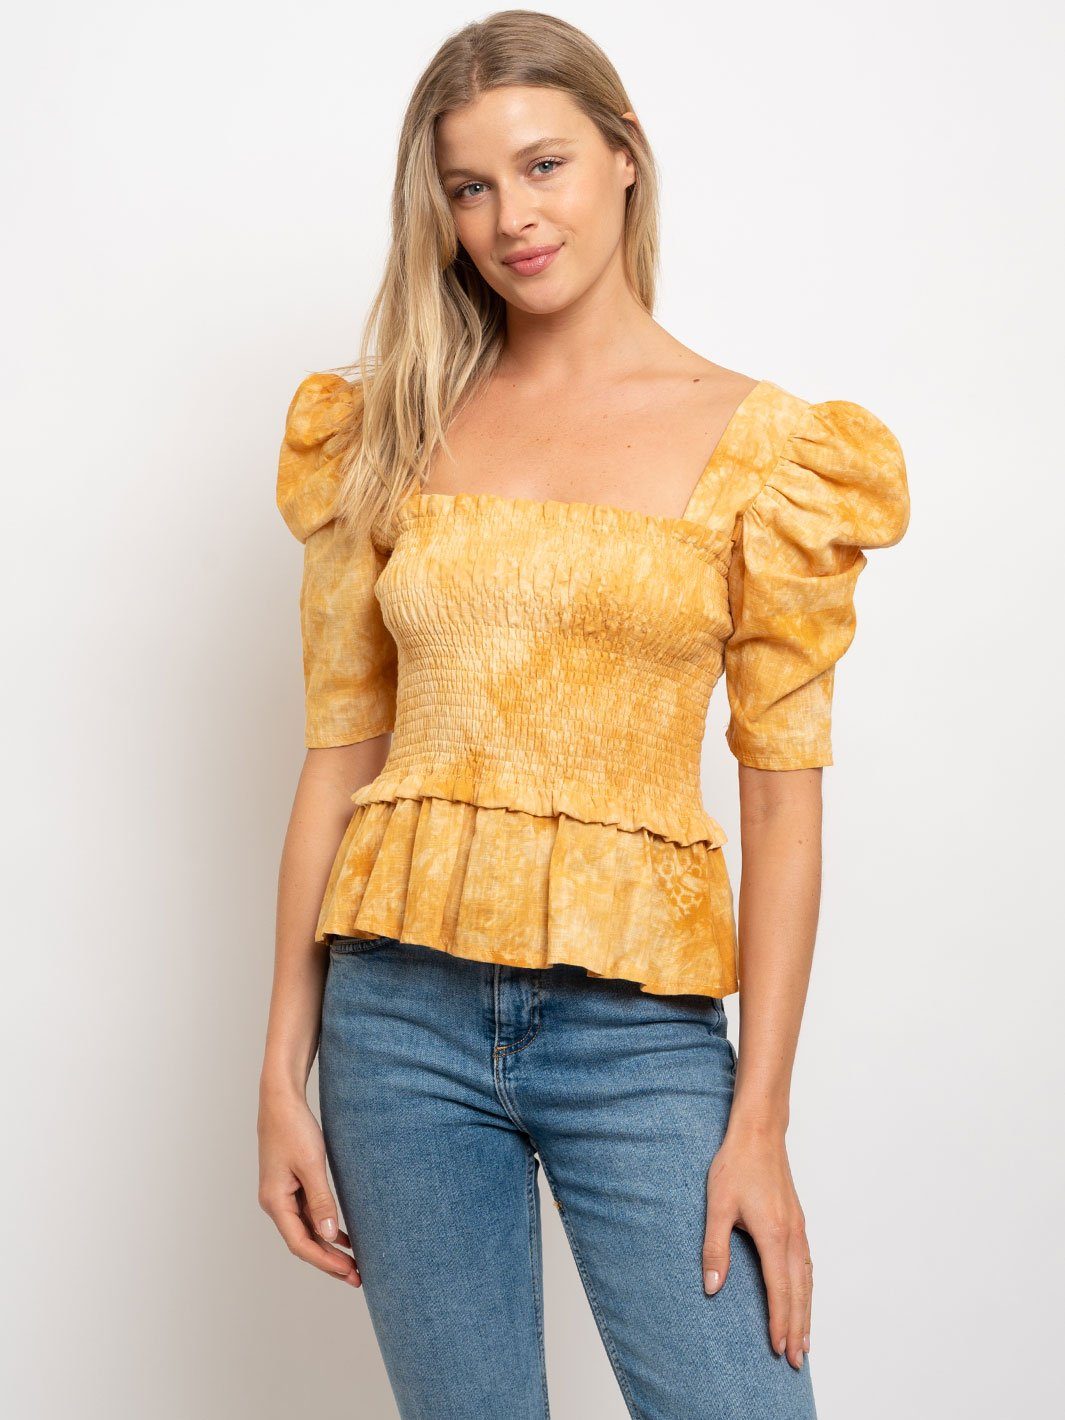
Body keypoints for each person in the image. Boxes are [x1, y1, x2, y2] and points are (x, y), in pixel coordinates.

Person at [257, 11, 910, 1418]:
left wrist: (758, 1122)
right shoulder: (383, 431)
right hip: (395, 1024)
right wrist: (278, 1074)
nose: (512, 218)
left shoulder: (771, 453)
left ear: (625, 157)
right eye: (470, 187)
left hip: (639, 1033)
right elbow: (337, 762)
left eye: (543, 165)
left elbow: (782, 803)